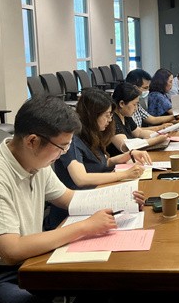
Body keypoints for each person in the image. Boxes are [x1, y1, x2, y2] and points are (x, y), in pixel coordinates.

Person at [0, 95, 145, 303]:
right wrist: (85, 227)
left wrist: (121, 199)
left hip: (28, 265)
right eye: (62, 147)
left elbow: (68, 198)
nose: (64, 153)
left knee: (99, 286)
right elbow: (11, 250)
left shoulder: (35, 161)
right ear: (32, 141)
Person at [45, 88, 152, 230]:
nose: (110, 120)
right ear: (92, 115)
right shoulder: (72, 140)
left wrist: (129, 154)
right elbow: (81, 178)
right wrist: (124, 174)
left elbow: (101, 163)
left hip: (93, 198)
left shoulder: (92, 135)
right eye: (107, 115)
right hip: (73, 212)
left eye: (111, 115)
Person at [108, 82, 170, 156]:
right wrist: (156, 140)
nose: (136, 108)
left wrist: (158, 134)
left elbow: (139, 132)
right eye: (134, 104)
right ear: (122, 103)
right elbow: (125, 146)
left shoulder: (125, 116)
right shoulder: (112, 120)